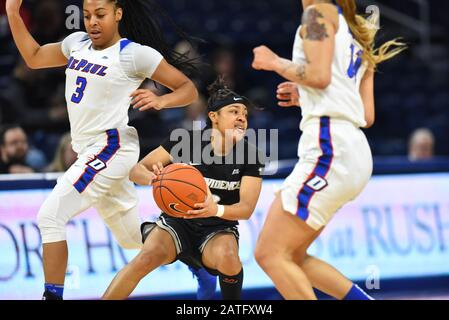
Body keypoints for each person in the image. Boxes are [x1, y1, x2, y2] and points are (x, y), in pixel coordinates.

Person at [5, 0, 198, 300]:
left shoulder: (134, 54)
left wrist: (161, 101)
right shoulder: (76, 43)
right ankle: (192, 251)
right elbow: (33, 57)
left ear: (118, 14)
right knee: (133, 238)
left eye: (100, 15)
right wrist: (13, 14)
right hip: (89, 152)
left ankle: (51, 296)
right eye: (87, 16)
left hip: (112, 147)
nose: (92, 22)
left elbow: (188, 88)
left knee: (50, 216)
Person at [251, 0, 405, 300]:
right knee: (292, 255)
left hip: (330, 146)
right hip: (352, 149)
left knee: (270, 253)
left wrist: (274, 62)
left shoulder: (317, 13)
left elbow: (319, 77)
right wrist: (305, 95)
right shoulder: (354, 35)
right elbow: (366, 113)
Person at [102, 77, 265, 300]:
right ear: (213, 117)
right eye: (234, 111)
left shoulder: (250, 155)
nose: (241, 118)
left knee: (228, 258)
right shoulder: (186, 140)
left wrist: (214, 210)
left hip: (217, 226)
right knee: (145, 259)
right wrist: (154, 178)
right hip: (177, 221)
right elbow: (136, 170)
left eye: (245, 114)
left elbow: (245, 208)